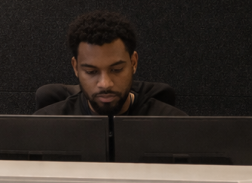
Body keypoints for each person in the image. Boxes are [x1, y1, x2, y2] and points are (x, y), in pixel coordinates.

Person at [35, 11, 186, 116]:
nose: (105, 84)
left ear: (133, 62)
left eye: (117, 69)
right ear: (75, 67)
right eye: (91, 72)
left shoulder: (174, 124)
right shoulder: (45, 124)